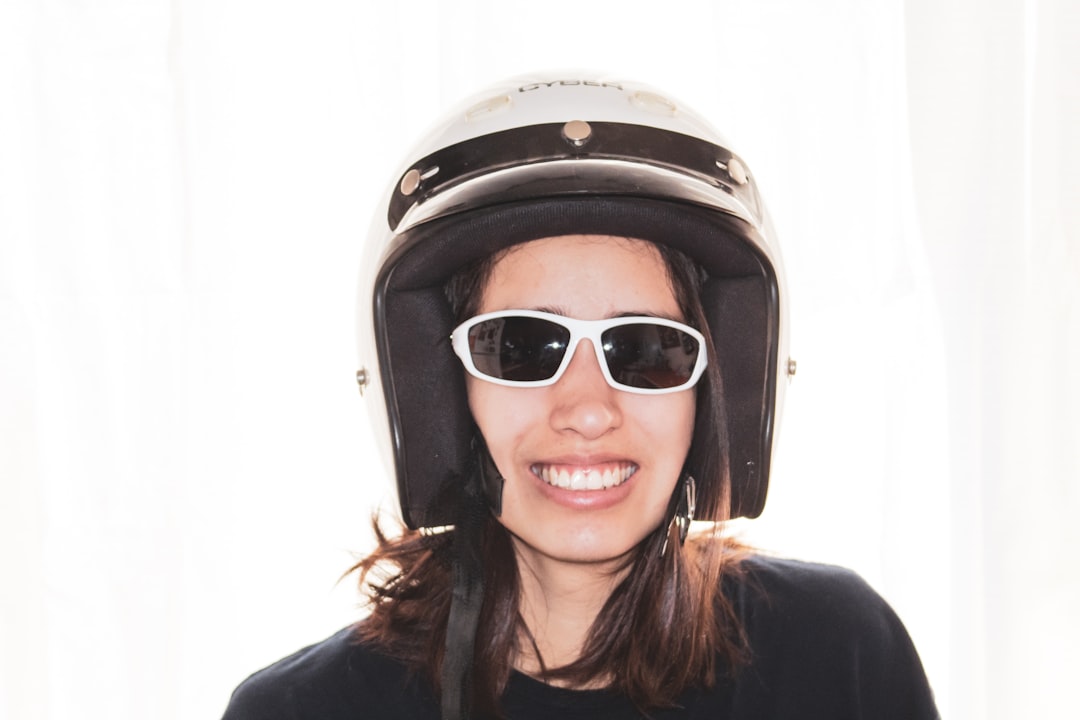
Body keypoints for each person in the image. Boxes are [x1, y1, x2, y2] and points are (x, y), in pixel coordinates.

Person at [221, 74, 939, 719]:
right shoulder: (299, 711)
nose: (589, 411)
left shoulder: (836, 655)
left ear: (716, 394)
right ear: (441, 392)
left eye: (650, 351)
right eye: (522, 348)